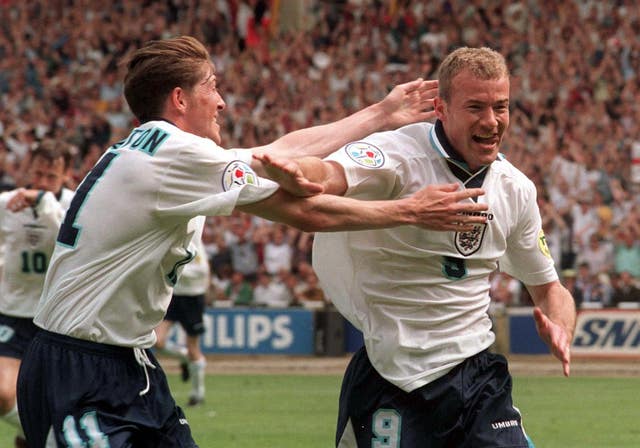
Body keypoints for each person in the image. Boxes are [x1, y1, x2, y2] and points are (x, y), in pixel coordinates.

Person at [17, 36, 489, 448]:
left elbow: (277, 154)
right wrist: (409, 211)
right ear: (180, 99)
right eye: (213, 87)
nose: (221, 101)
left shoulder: (159, 150)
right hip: (77, 370)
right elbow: (302, 211)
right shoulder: (173, 154)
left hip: (129, 365)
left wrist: (380, 114)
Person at [306, 47, 577, 447]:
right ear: (441, 108)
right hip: (393, 376)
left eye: (500, 107)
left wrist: (561, 326)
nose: (491, 121)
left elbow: (550, 288)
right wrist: (294, 169)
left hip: (477, 379)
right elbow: (326, 176)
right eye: (476, 107)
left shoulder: (515, 190)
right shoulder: (398, 156)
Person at [0, 140, 73, 448]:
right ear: (29, 169)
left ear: (66, 175)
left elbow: (67, 237)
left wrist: (41, 200)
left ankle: (36, 436)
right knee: (3, 393)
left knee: (49, 403)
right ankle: (50, 437)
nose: (43, 182)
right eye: (39, 174)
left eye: (51, 177)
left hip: (58, 319)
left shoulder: (76, 204)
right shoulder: (7, 203)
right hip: (14, 313)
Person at [154, 229, 210, 407]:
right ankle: (183, 357)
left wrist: (174, 268)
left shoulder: (194, 242)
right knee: (157, 341)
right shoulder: (170, 238)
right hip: (173, 296)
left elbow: (201, 270)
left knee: (193, 346)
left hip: (192, 297)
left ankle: (197, 394)